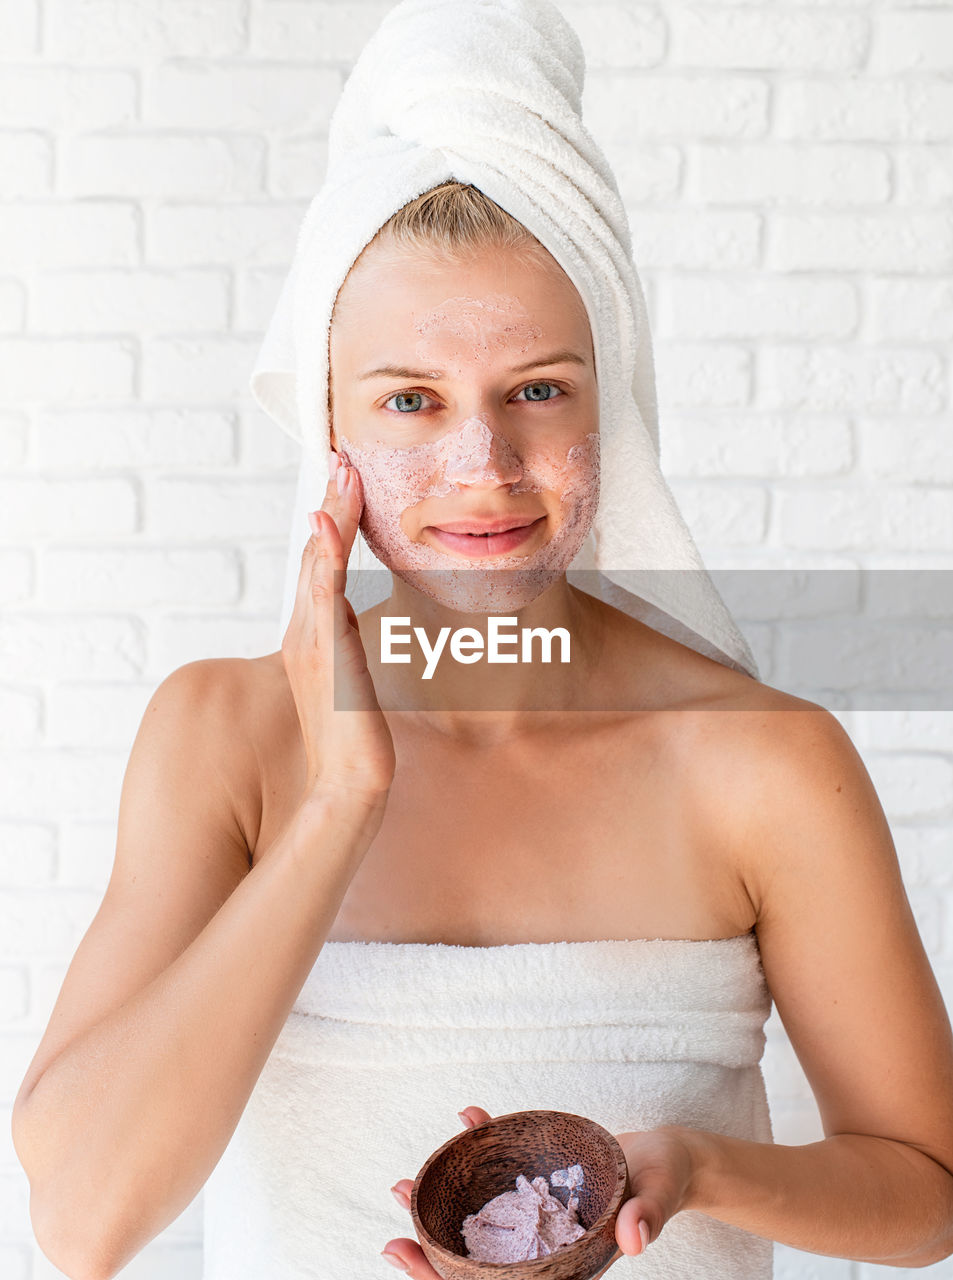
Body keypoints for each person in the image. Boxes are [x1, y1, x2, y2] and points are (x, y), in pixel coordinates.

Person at [11, 3, 953, 1278]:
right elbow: (81, 1219)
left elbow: (925, 1193)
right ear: (328, 428)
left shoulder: (763, 759)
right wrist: (341, 797)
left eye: (537, 392)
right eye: (410, 400)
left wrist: (694, 1165)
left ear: (608, 395)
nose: (483, 469)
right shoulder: (225, 738)